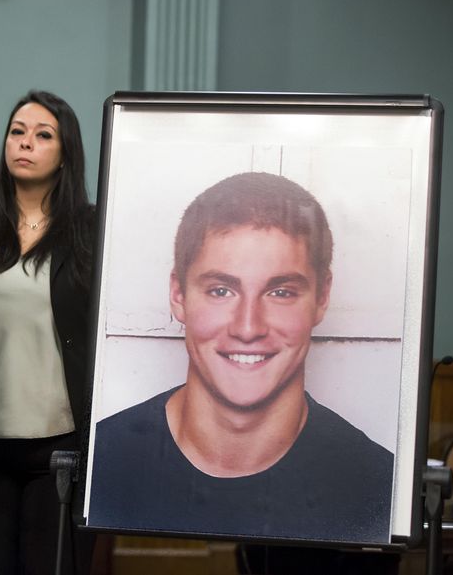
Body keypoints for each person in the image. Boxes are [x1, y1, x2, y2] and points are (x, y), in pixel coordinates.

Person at [90, 172, 394, 544]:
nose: (248, 327)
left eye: (281, 292)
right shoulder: (103, 461)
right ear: (178, 294)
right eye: (221, 290)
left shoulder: (377, 483)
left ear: (322, 297)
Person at [0, 90, 96, 575]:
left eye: (42, 135)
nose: (25, 143)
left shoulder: (92, 232)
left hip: (58, 452)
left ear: (65, 153)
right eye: (17, 132)